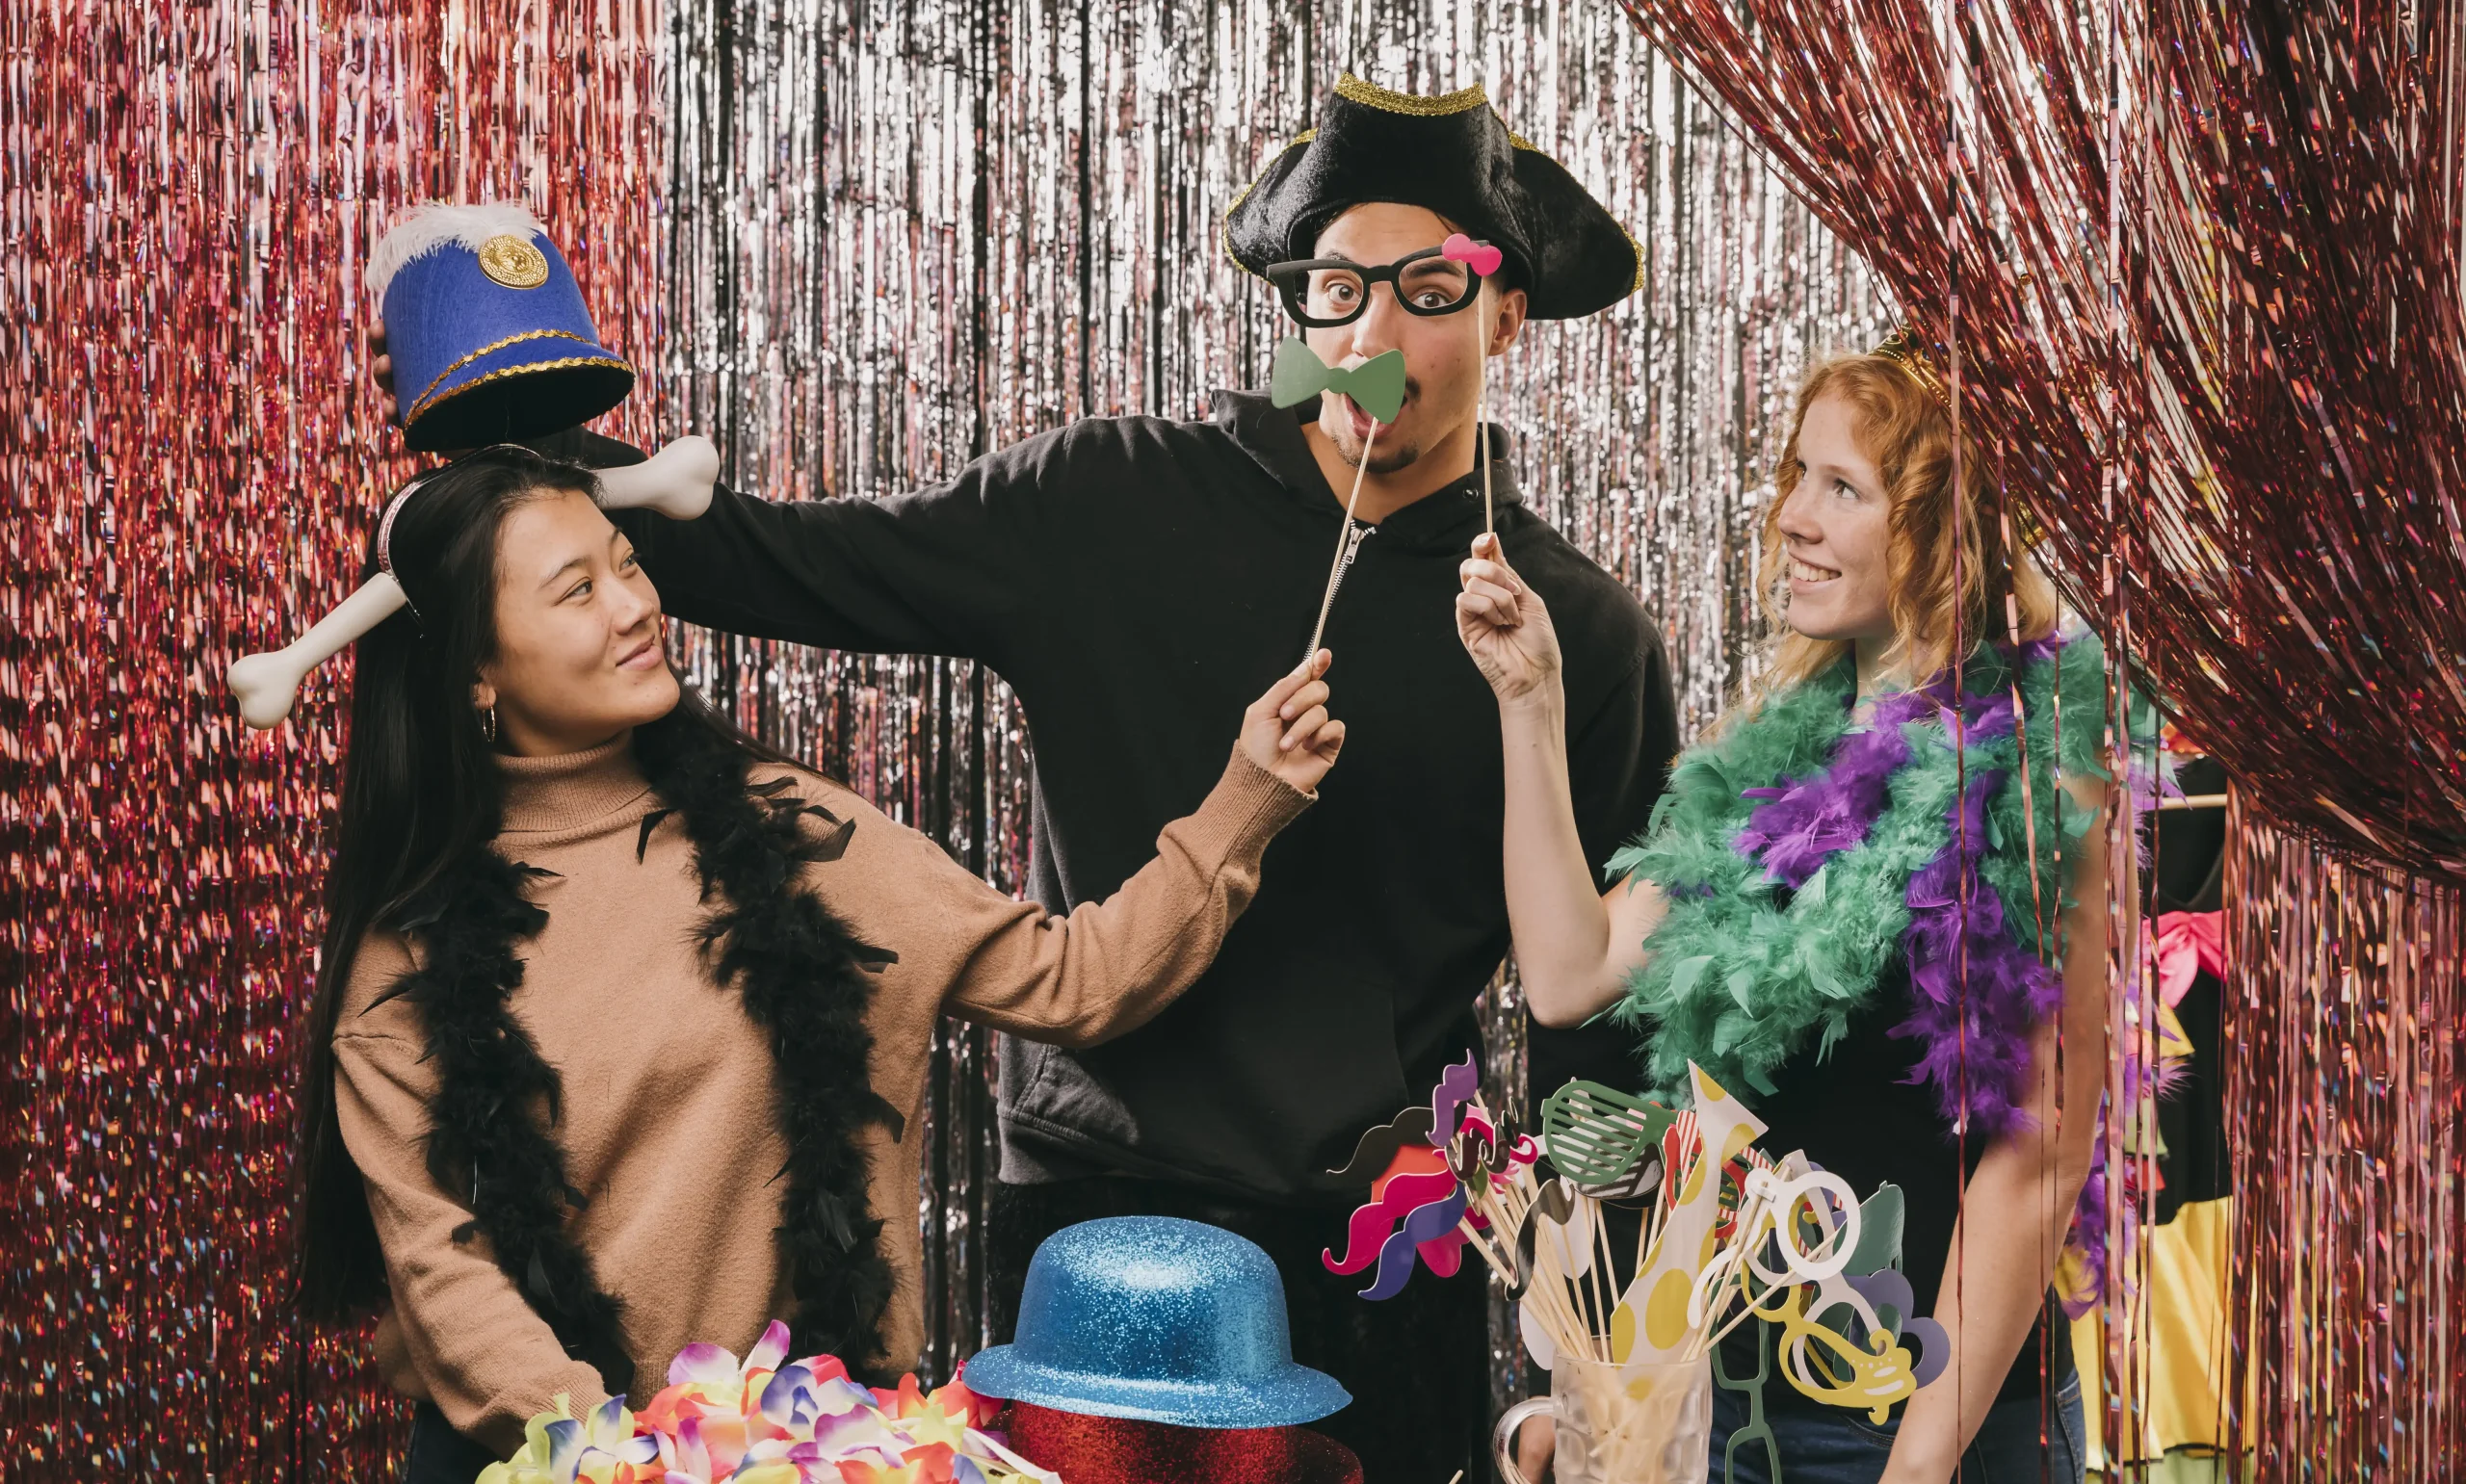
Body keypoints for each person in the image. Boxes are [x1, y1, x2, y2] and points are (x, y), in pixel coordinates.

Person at [368, 74, 1677, 1480]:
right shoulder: (1106, 500)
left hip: (1382, 1258)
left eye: (1427, 290)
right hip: (1093, 1227)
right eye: (1337, 287)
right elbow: (783, 560)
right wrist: (508, 431)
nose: (1370, 335)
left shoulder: (1575, 639)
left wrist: (1583, 1369)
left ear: (1505, 314)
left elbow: (1602, 1033)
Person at [289, 447, 1345, 1480]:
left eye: (629, 562)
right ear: (476, 670)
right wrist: (619, 1458)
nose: (633, 605)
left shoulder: (796, 838)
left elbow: (1077, 979)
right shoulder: (404, 960)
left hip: (804, 1453)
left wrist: (1249, 793)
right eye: (577, 590)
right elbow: (446, 1272)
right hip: (547, 1458)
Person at [1456, 339, 2113, 1484]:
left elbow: (2039, 1157)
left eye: (1842, 487)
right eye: (1797, 474)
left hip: (1932, 1417)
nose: (1793, 516)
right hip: (1735, 1406)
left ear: (1943, 528)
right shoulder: (1774, 763)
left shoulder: (2035, 778)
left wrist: (1917, 1465)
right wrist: (1530, 699)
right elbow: (1567, 971)